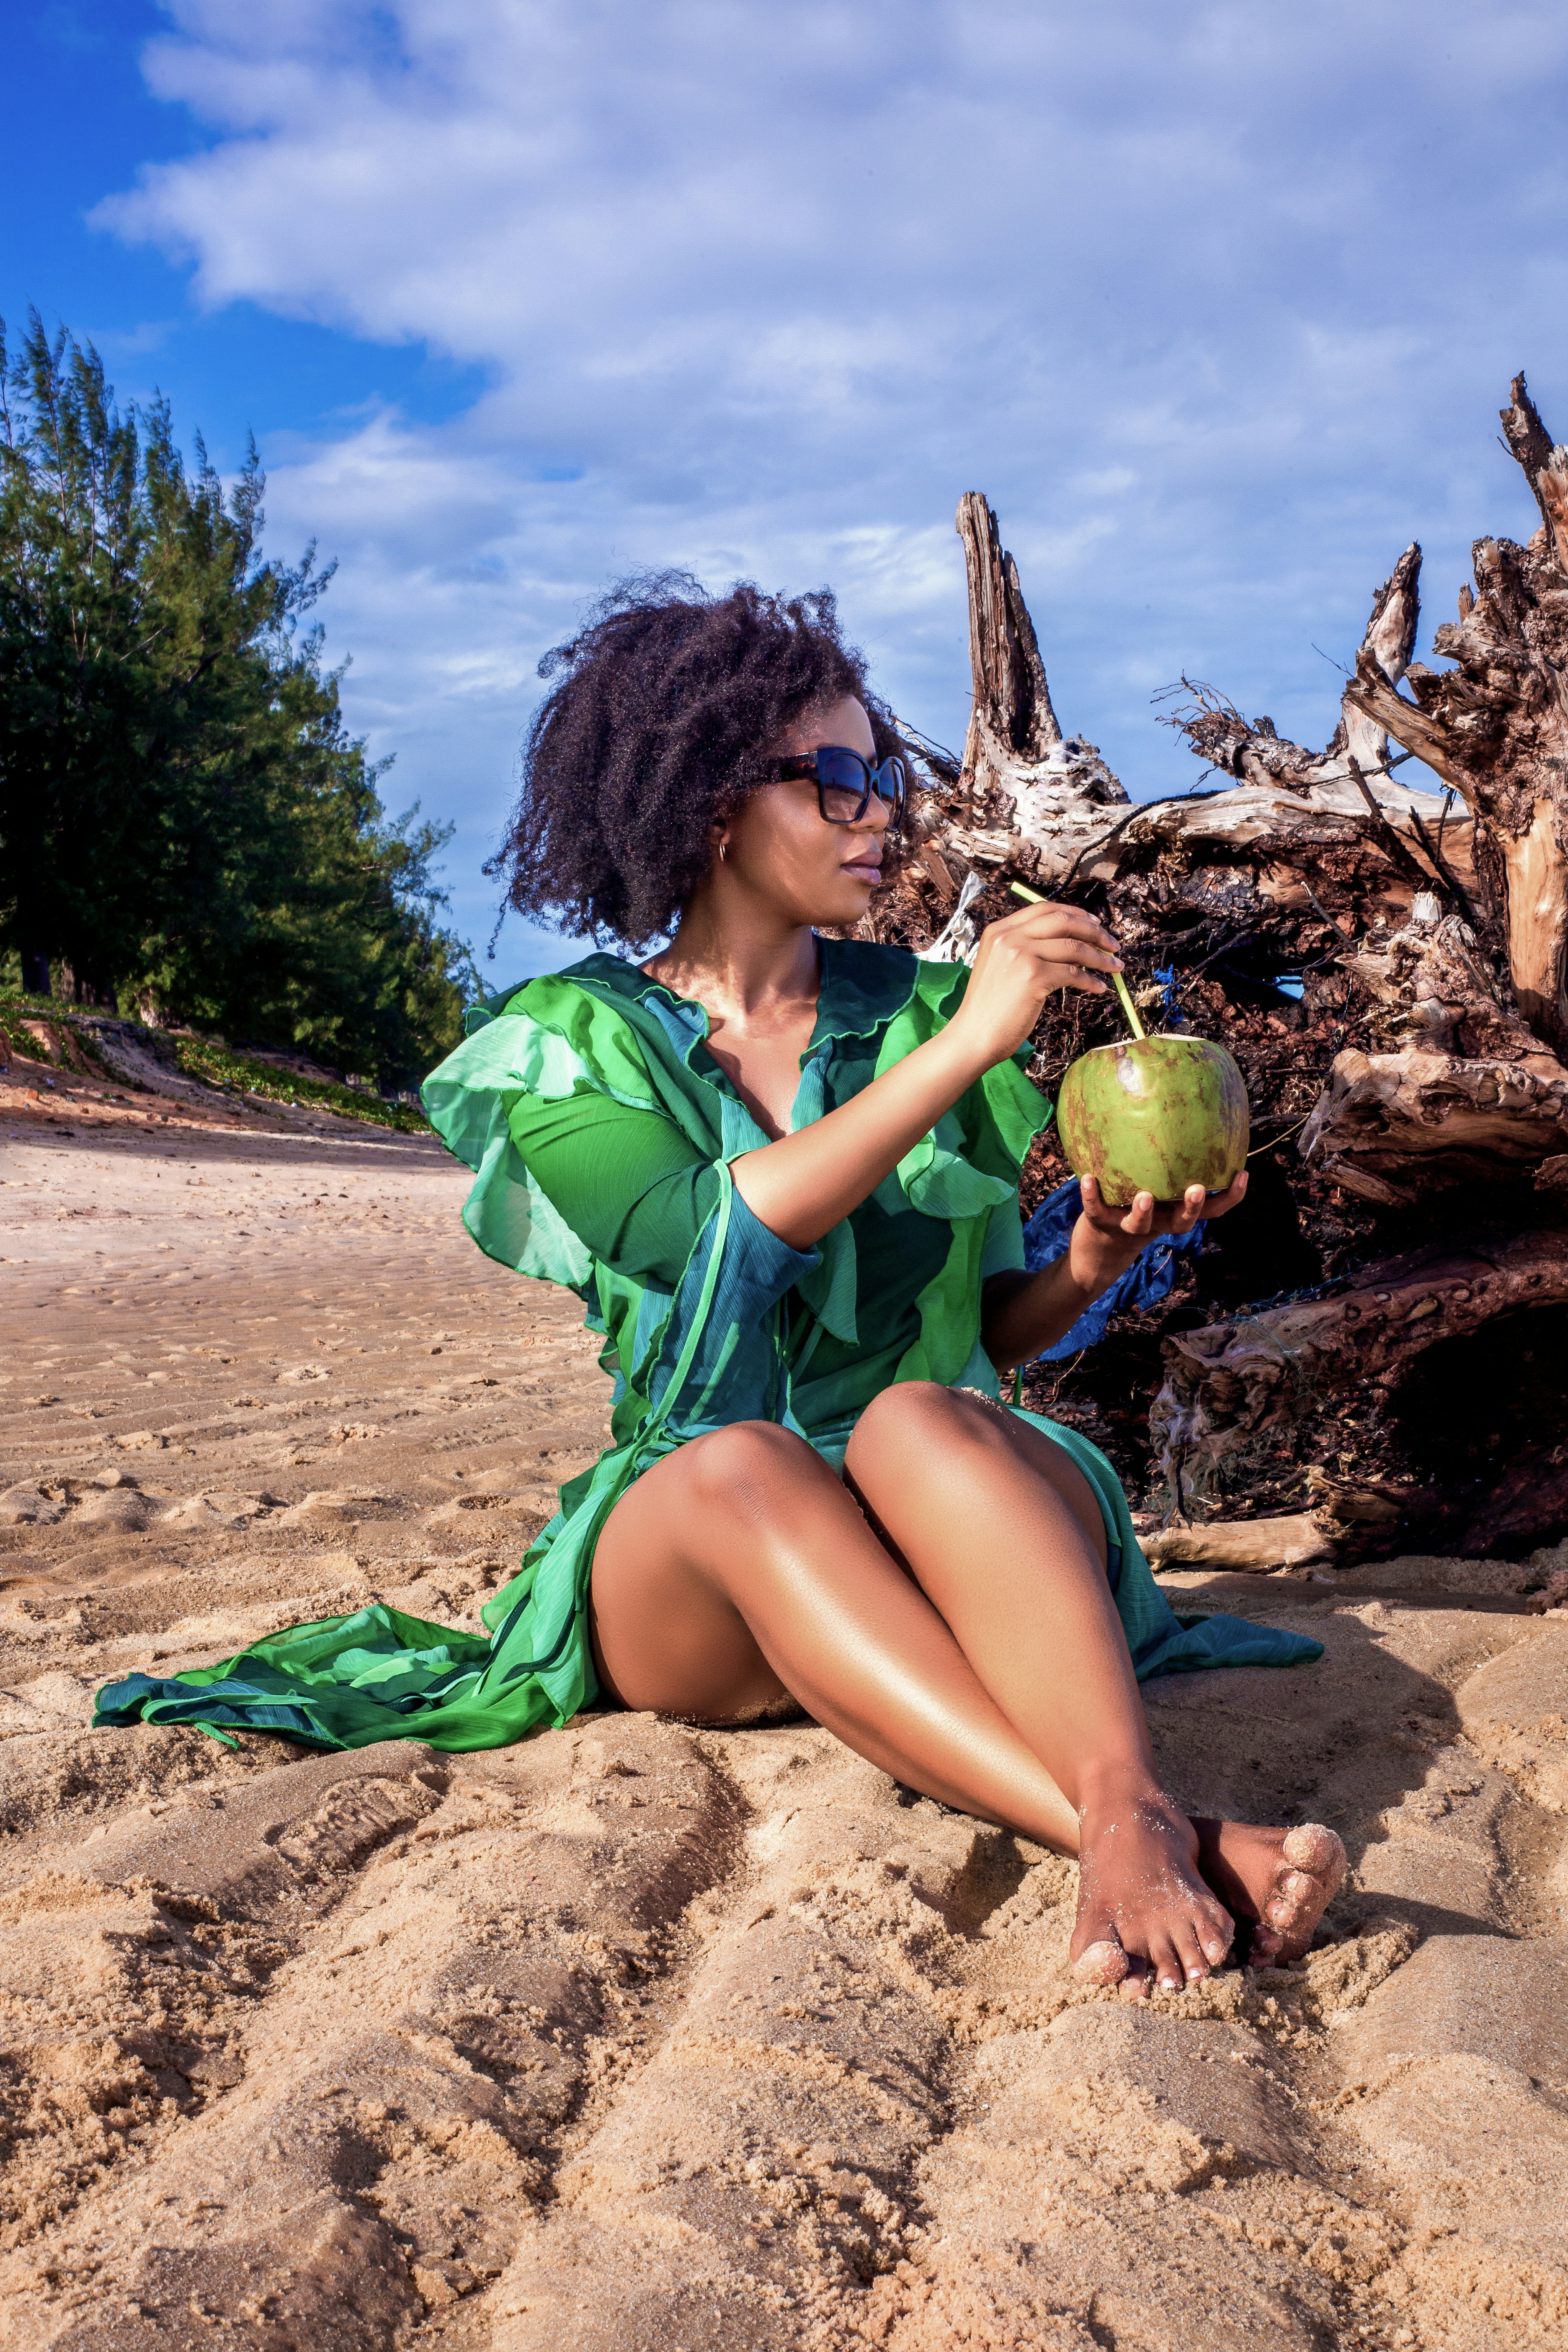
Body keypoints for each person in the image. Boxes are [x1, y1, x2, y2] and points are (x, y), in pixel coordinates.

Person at [95, 580, 1342, 2001]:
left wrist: (1089, 1260)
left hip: (954, 1515)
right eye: (843, 781)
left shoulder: (925, 1015)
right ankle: (1138, 1829)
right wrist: (966, 1041)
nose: (886, 816)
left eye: (893, 782)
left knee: (917, 1419)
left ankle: (1126, 1811)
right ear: (707, 804)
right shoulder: (566, 1046)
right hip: (719, 1563)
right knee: (743, 1460)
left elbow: (997, 1333)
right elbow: (710, 1247)